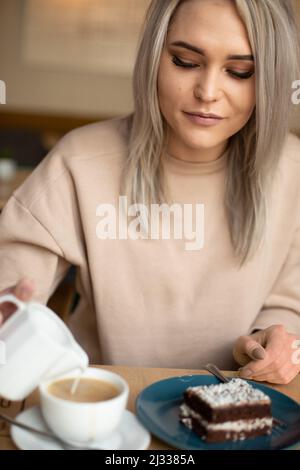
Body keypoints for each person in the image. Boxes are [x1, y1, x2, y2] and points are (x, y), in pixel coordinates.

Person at [0, 0, 300, 384]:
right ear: (153, 58)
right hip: (102, 405)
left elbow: (285, 308)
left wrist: (272, 342)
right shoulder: (80, 161)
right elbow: (12, 288)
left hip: (231, 409)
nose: (208, 91)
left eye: (240, 72)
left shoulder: (291, 171)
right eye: (185, 62)